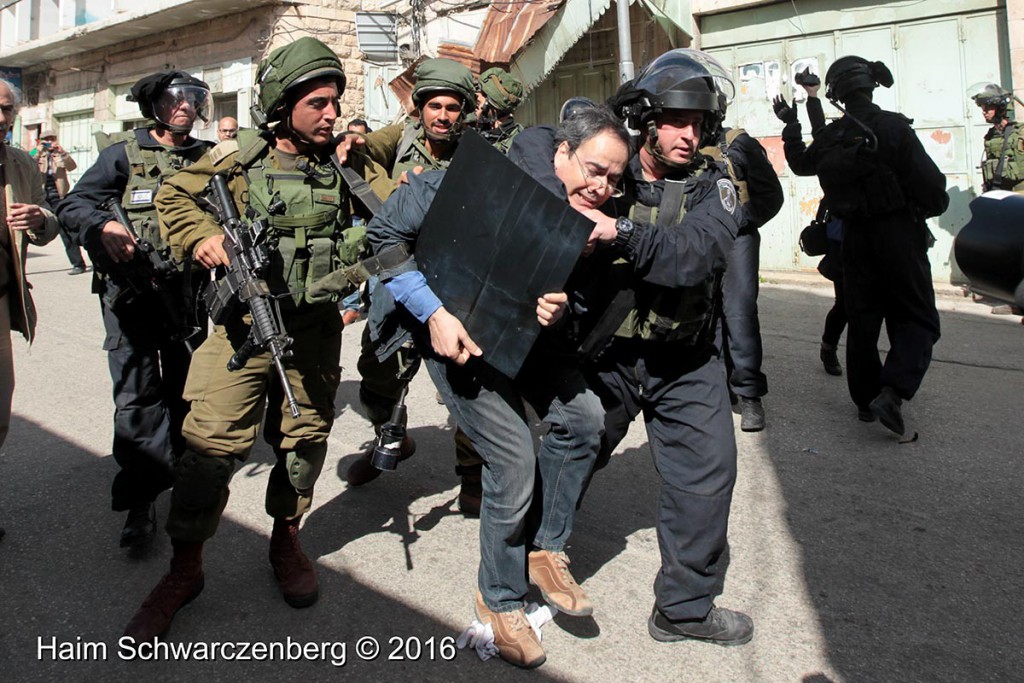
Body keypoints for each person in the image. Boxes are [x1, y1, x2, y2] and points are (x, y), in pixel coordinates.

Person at [122, 36, 379, 641]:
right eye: (318, 103)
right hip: (240, 329)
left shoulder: (345, 166)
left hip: (312, 334)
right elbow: (173, 197)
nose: (331, 114)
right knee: (207, 454)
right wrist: (204, 240)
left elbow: (393, 224)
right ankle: (185, 569)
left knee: (302, 444)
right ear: (285, 104)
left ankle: (285, 544)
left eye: (335, 103)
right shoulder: (239, 160)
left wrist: (354, 282)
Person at [366, 105, 630, 668]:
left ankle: (547, 550)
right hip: (454, 334)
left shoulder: (590, 232)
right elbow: (385, 239)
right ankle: (499, 600)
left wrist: (558, 310)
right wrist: (434, 314)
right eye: (593, 169)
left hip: (524, 339)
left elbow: (581, 308)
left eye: (614, 178)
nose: (602, 186)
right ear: (562, 153)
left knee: (585, 418)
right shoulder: (469, 183)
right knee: (512, 461)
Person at [579, 48, 752, 646]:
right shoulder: (611, 172)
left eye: (698, 123)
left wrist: (621, 231)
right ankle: (517, 563)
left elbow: (694, 256)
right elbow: (540, 151)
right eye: (676, 120)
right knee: (567, 454)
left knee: (707, 479)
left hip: (688, 359)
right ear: (646, 122)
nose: (689, 135)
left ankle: (683, 608)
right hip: (612, 358)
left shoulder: (715, 191)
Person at [58, 71, 214, 549]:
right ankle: (141, 499)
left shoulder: (209, 155)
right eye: (175, 100)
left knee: (188, 392)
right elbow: (73, 204)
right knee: (139, 396)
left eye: (193, 98)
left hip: (188, 294)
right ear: (155, 108)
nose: (185, 106)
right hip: (132, 295)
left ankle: (187, 483)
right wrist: (104, 226)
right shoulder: (122, 154)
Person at [342, 59, 487, 515]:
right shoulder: (398, 139)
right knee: (378, 375)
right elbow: (360, 153)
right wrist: (400, 191)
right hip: (397, 277)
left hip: (453, 283)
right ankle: (391, 436)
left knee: (465, 381)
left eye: (451, 107)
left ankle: (472, 475)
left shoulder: (476, 153)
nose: (442, 116)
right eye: (434, 106)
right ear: (419, 107)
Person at [779, 56, 948, 433]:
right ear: (871, 85)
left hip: (853, 240)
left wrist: (792, 123)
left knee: (862, 320)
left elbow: (801, 164)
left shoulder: (830, 137)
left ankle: (865, 402)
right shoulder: (892, 128)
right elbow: (934, 190)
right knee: (917, 318)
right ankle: (893, 391)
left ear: (837, 92)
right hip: (899, 235)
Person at [702, 65, 784, 432]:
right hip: (699, 242)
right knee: (704, 313)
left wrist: (740, 220)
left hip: (737, 240)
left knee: (738, 313)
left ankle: (750, 394)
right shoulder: (679, 147)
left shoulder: (738, 143)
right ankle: (718, 386)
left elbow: (771, 196)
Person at [0, 79, 61, 541]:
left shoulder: (20, 163)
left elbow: (47, 216)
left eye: (6, 109)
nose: (1, 117)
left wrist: (41, 220)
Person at [773, 75, 846, 375]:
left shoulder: (883, 132)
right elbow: (808, 153)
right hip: (846, 236)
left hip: (884, 237)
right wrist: (807, 103)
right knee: (848, 304)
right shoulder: (840, 136)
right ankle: (830, 348)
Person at [31, 129, 85, 274]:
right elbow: (28, 163)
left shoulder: (59, 153)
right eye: (45, 139)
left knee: (65, 231)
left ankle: (78, 264)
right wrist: (38, 152)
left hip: (58, 196)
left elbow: (72, 166)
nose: (49, 142)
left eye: (51, 139)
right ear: (40, 141)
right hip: (41, 196)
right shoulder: (35, 153)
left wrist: (61, 153)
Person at [970, 83, 1023, 193]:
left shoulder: (1020, 132)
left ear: (1000, 108)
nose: (984, 112)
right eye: (983, 108)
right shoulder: (991, 136)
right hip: (999, 192)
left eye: (988, 108)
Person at [476, 67, 524, 152]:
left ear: (490, 106)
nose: (475, 110)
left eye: (478, 104)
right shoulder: (479, 133)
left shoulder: (517, 144)